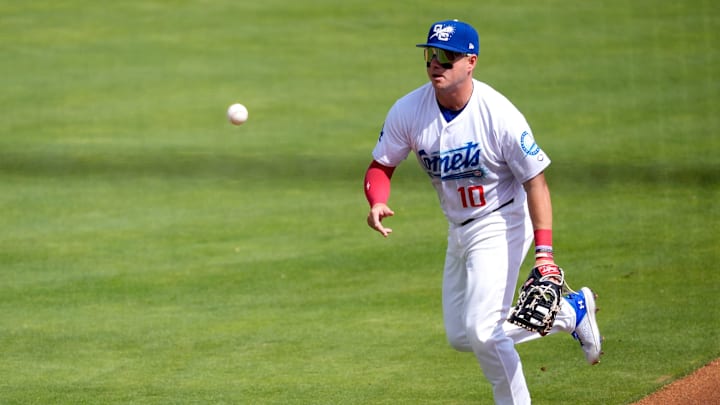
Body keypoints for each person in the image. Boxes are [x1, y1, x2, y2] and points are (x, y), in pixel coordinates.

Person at [362, 19, 602, 404]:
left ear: (470, 61)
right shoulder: (409, 110)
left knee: (483, 330)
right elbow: (381, 166)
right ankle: (568, 315)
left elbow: (536, 182)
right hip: (458, 228)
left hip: (503, 219)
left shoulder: (499, 114)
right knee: (462, 336)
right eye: (430, 55)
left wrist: (545, 254)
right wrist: (376, 200)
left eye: (446, 56)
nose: (435, 64)